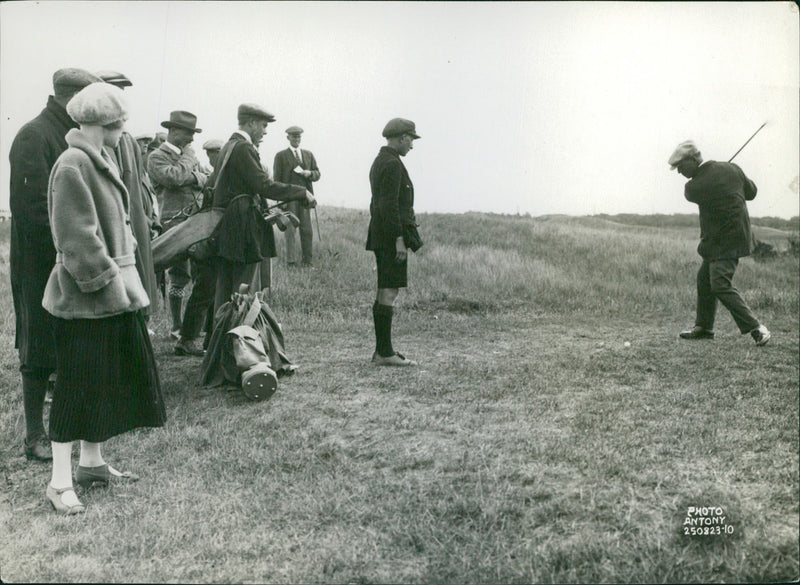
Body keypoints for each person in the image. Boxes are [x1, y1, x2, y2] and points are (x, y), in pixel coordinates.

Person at [42, 82, 166, 514]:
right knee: (76, 388)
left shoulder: (101, 158)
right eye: (121, 122)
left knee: (100, 383)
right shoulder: (73, 163)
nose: (124, 130)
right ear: (104, 123)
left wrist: (122, 290)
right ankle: (59, 483)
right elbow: (76, 241)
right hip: (84, 300)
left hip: (109, 294)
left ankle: (91, 465)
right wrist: (112, 288)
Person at [9, 67, 101, 462]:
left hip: (67, 257)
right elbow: (29, 213)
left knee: (69, 343)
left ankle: (65, 426)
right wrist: (68, 245)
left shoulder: (69, 136)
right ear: (71, 97)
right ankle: (34, 436)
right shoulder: (34, 135)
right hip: (39, 262)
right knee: (38, 346)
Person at [212, 104, 315, 313]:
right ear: (251, 123)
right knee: (243, 286)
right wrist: (301, 192)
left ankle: (220, 339)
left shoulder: (229, 146)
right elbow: (264, 185)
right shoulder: (243, 148)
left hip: (230, 223)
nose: (265, 131)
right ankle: (238, 338)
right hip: (242, 224)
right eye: (263, 125)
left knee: (226, 287)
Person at [669, 140, 771, 346]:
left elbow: (690, 192)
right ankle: (704, 328)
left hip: (726, 241)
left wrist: (714, 175)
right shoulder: (732, 168)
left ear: (693, 160)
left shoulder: (694, 185)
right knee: (704, 279)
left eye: (681, 167)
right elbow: (751, 192)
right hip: (723, 239)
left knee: (720, 284)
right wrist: (731, 174)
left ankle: (758, 329)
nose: (679, 172)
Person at [96, 71, 161, 329]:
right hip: (110, 229)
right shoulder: (94, 140)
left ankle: (140, 323)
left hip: (134, 225)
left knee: (140, 280)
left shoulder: (129, 141)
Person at [147, 111, 212, 354]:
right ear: (174, 131)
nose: (191, 139)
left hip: (196, 223)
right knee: (177, 277)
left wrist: (193, 175)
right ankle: (176, 328)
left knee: (202, 275)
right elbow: (173, 178)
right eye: (188, 133)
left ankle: (191, 333)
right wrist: (189, 163)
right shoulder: (156, 157)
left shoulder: (186, 155)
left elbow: (206, 178)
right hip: (173, 224)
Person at [366, 118, 423, 366]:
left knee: (385, 290)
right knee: (389, 290)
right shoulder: (391, 164)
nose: (412, 145)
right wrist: (399, 239)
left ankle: (382, 351)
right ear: (402, 138)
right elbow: (388, 206)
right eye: (411, 139)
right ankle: (385, 354)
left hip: (383, 235)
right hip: (390, 238)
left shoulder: (383, 161)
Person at [273, 126, 321, 267]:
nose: (296, 139)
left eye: (298, 136)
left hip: (305, 199)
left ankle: (307, 261)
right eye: (294, 137)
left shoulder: (308, 155)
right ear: (288, 138)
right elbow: (277, 180)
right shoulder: (280, 156)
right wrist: (281, 200)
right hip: (289, 199)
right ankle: (291, 262)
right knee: (290, 230)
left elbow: (318, 173)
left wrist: (310, 173)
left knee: (307, 230)